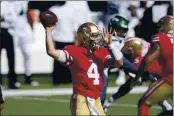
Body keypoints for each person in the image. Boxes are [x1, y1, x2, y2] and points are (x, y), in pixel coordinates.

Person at [44, 21, 124, 115]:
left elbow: (119, 62)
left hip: (96, 98)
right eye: (94, 36)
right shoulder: (73, 51)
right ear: (84, 39)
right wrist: (48, 31)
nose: (97, 39)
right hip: (81, 97)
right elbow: (51, 51)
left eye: (97, 36)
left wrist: (111, 45)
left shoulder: (102, 52)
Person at [103, 37, 172, 112]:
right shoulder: (149, 48)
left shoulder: (140, 62)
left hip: (168, 78)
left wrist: (112, 99)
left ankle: (168, 107)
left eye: (129, 50)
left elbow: (131, 84)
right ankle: (167, 107)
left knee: (144, 103)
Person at [131, 15, 173, 116]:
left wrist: (138, 76)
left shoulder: (161, 37)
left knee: (143, 104)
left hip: (171, 80)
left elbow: (149, 59)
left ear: (165, 26)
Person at [0, 1, 19, 89]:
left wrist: (4, 17)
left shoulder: (9, 5)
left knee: (11, 58)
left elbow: (14, 18)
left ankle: (12, 82)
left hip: (7, 31)